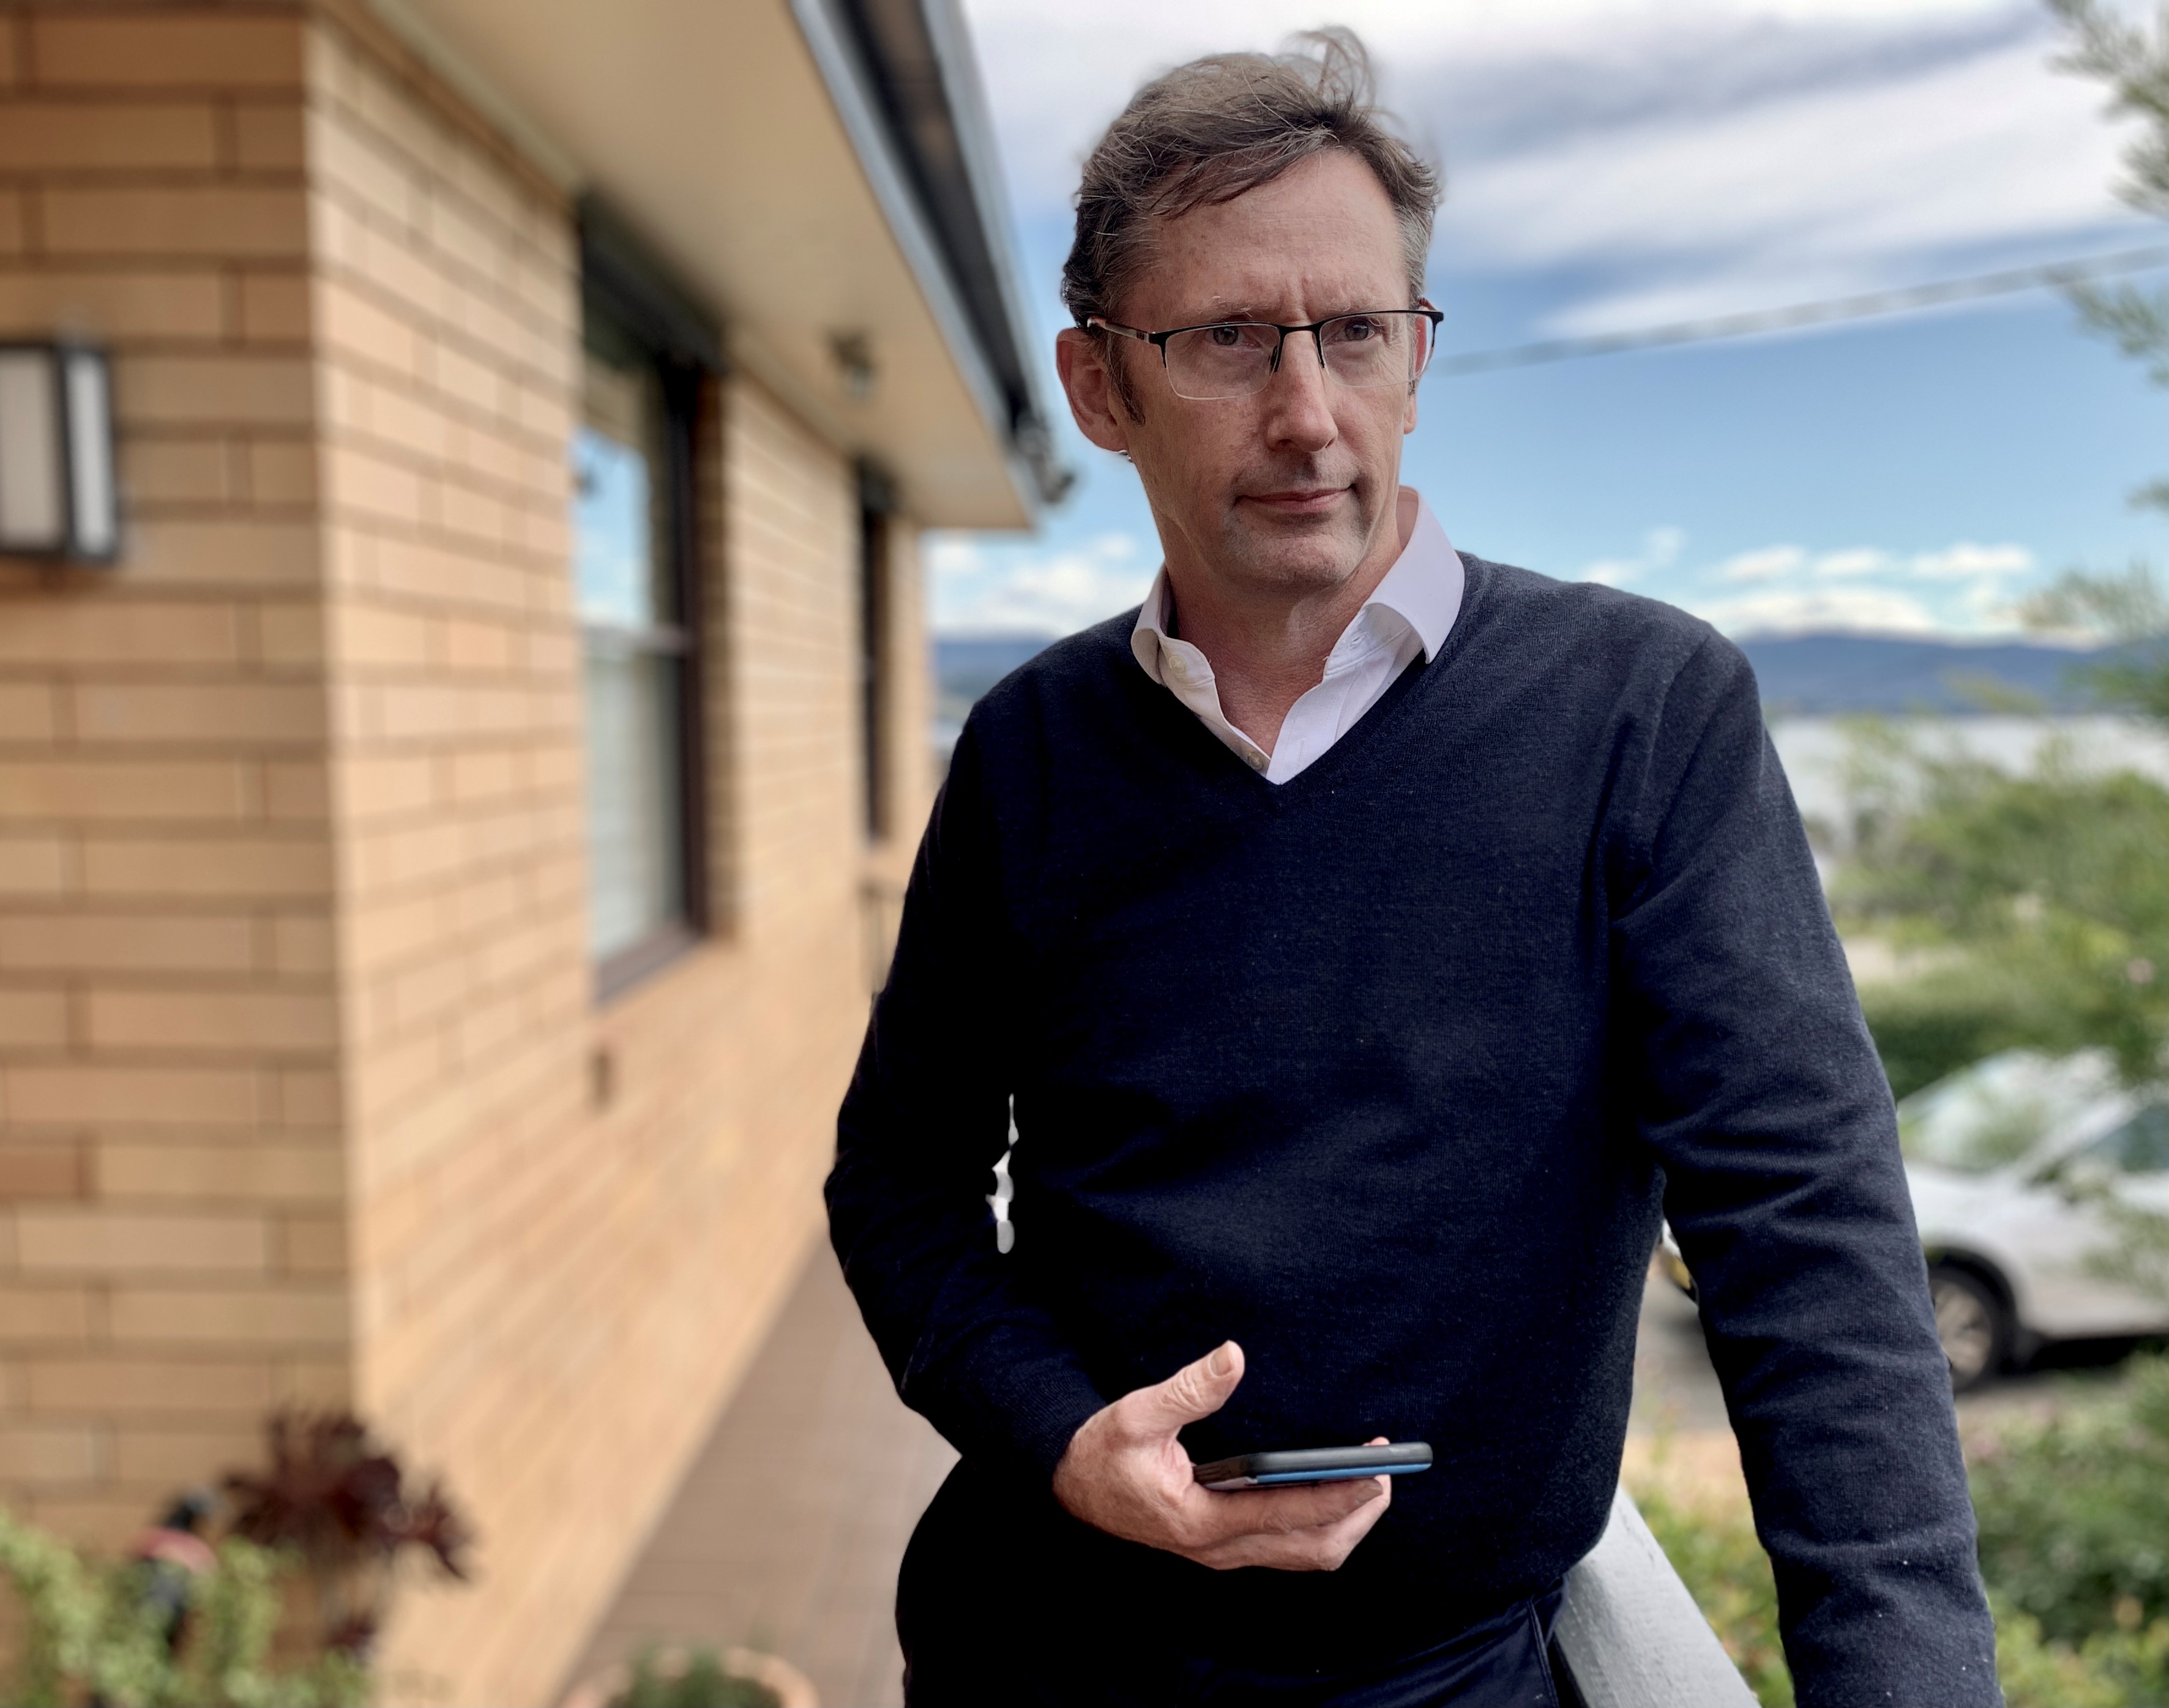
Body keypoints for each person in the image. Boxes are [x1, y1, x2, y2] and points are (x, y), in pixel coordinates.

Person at [827, 29, 2000, 1708]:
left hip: (1435, 1677)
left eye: (1356, 334)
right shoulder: (1029, 751)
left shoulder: (1643, 715)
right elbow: (901, 1182)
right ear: (1103, 387)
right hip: (1034, 1641)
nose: (1308, 413)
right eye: (1229, 339)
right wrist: (1063, 1436)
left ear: (1418, 355)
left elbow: (1805, 1235)